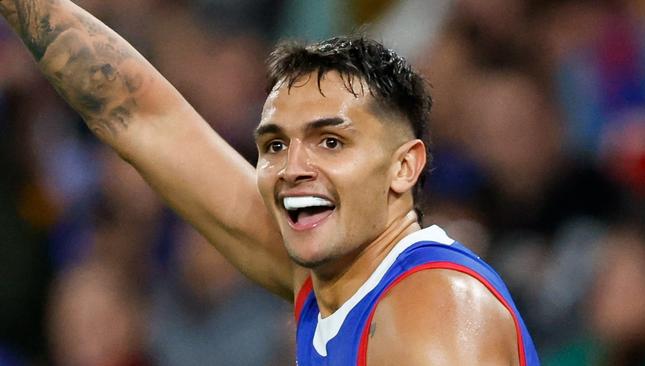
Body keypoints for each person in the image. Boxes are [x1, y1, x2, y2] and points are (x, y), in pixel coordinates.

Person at [0, 1, 539, 364]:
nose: (293, 166)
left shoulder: (434, 306)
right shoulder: (326, 277)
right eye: (275, 144)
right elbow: (141, 116)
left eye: (331, 141)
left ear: (404, 167)